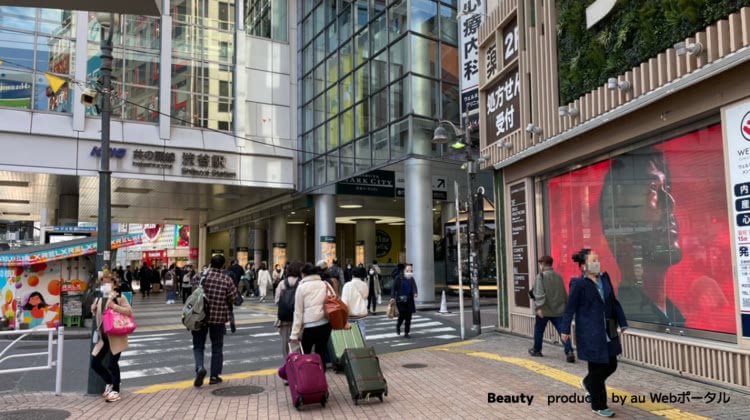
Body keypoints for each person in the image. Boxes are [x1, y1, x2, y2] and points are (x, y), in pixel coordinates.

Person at [561, 249, 628, 418]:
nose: (597, 263)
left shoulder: (605, 278)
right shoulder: (579, 284)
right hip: (591, 332)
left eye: (598, 259)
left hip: (609, 329)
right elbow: (570, 308)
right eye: (593, 260)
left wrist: (623, 322)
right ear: (584, 265)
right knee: (597, 369)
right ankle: (598, 405)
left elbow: (613, 302)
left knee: (611, 364)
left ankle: (587, 382)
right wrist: (565, 329)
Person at [192, 255, 239, 387]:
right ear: (223, 266)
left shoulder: (201, 276)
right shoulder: (226, 279)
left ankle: (200, 367)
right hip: (218, 318)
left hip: (199, 317)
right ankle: (214, 376)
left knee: (198, 346)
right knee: (217, 347)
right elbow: (234, 298)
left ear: (210, 264)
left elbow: (193, 286)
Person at [90, 271, 133, 403]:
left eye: (108, 282)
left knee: (112, 363)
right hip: (104, 338)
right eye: (103, 282)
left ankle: (116, 390)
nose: (105, 284)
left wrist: (114, 306)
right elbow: (101, 317)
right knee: (95, 362)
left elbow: (129, 311)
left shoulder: (119, 297)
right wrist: (93, 309)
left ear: (114, 284)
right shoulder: (99, 298)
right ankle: (109, 383)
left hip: (116, 336)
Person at [529, 255, 574, 362]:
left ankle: (537, 350)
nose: (540, 266)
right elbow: (563, 293)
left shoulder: (540, 277)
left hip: (544, 310)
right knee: (562, 331)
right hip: (558, 310)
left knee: (539, 330)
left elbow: (539, 294)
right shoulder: (558, 276)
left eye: (540, 264)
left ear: (543, 265)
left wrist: (538, 307)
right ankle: (569, 351)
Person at [290, 263, 332, 363]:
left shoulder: (301, 288)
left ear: (303, 274)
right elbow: (332, 301)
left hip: (309, 327)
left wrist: (294, 334)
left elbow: (298, 312)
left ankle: (308, 377)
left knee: (306, 355)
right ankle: (321, 376)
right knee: (321, 354)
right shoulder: (325, 284)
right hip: (325, 324)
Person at [275, 261, 303, 359]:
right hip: (298, 318)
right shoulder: (302, 283)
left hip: (284, 319)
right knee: (297, 342)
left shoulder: (282, 283)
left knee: (285, 344)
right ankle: (297, 363)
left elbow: (277, 300)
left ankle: (288, 363)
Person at [390, 263, 418, 338]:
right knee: (402, 316)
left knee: (409, 317)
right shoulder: (398, 278)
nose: (410, 272)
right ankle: (398, 325)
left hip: (410, 300)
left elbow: (414, 286)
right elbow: (393, 288)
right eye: (408, 270)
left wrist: (415, 292)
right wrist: (392, 297)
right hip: (401, 301)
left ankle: (406, 332)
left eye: (411, 271)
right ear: (403, 270)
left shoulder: (411, 278)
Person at [341, 266, 369, 339]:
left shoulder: (347, 285)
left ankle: (352, 346)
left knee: (350, 331)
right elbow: (365, 296)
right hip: (360, 312)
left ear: (352, 275)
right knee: (362, 329)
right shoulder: (364, 285)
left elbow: (344, 301)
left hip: (350, 312)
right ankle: (362, 347)